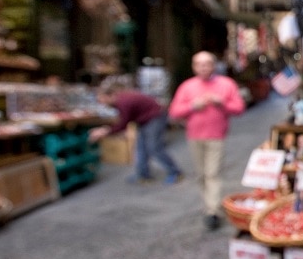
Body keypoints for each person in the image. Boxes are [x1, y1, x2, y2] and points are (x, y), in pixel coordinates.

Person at [167, 51, 247, 230]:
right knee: (202, 175)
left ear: (213, 65)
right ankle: (209, 204)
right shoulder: (187, 87)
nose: (203, 67)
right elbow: (174, 112)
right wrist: (192, 106)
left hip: (216, 136)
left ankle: (213, 211)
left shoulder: (226, 84)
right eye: (199, 64)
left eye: (207, 63)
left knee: (213, 173)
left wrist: (221, 103)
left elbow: (239, 108)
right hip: (194, 136)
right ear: (194, 67)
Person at [89, 80, 183, 185]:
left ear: (109, 96)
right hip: (143, 119)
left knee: (154, 147)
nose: (101, 102)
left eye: (101, 99)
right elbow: (124, 121)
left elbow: (123, 124)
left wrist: (104, 132)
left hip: (154, 118)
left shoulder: (123, 102)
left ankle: (175, 172)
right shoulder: (120, 99)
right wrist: (107, 130)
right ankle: (143, 175)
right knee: (141, 148)